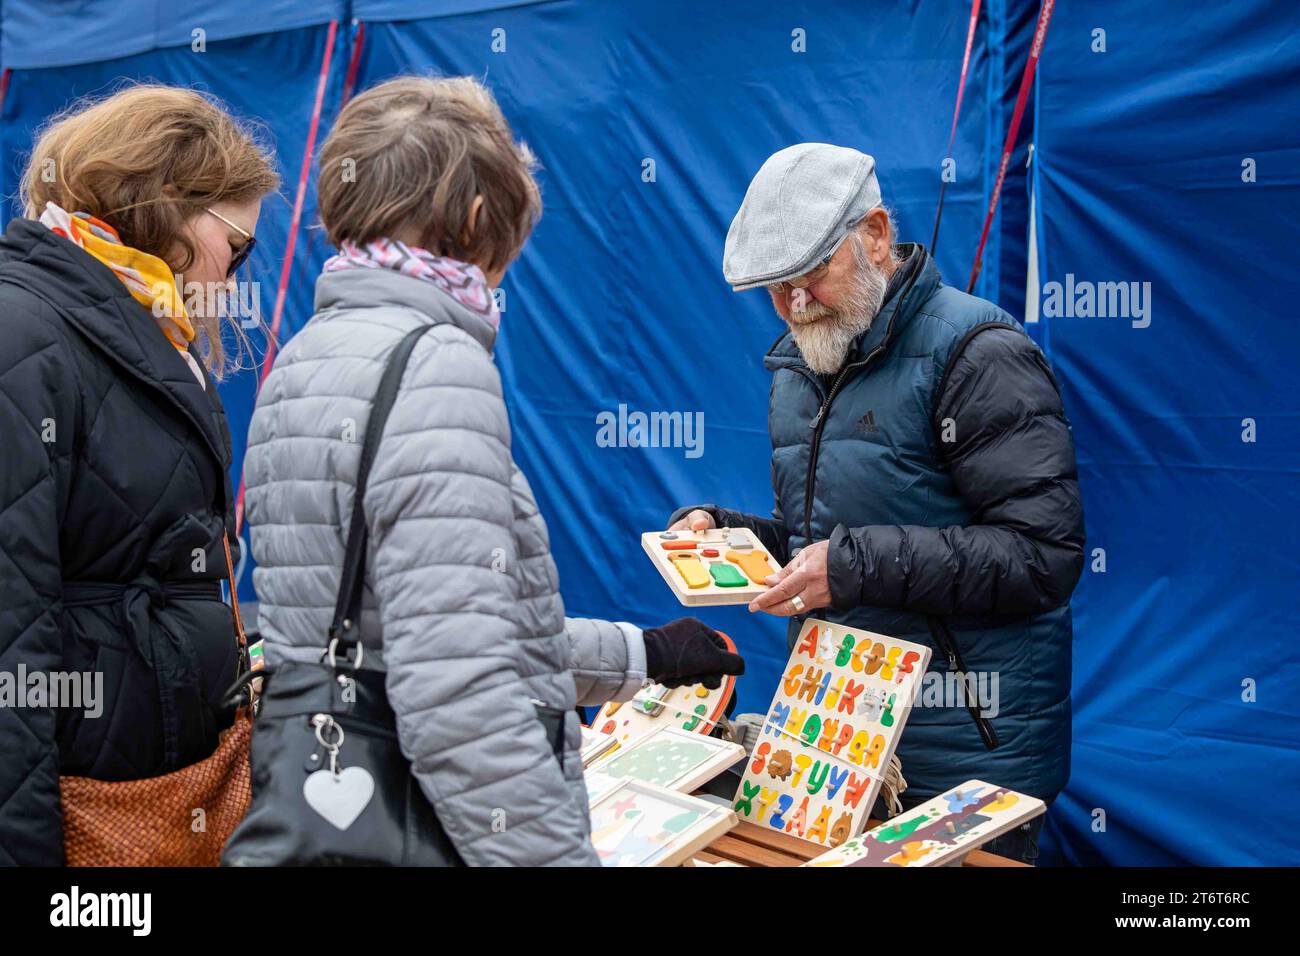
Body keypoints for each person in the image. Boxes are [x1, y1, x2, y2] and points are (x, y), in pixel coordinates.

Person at [242, 75, 743, 866]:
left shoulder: (306, 354)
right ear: (479, 219)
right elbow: (459, 690)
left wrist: (640, 656)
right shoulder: (434, 363)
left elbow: (414, 628)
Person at [669, 143, 1085, 864]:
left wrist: (850, 564)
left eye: (810, 275)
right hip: (844, 745)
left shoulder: (978, 351)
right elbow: (823, 543)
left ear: (877, 234)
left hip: (967, 748)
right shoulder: (801, 368)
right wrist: (731, 539)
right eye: (776, 287)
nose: (795, 303)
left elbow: (1041, 556)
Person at [0, 85, 280, 865]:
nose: (234, 277)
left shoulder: (138, 330)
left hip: (157, 792)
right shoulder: (26, 336)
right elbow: (9, 634)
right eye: (238, 245)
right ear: (165, 209)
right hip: (92, 816)